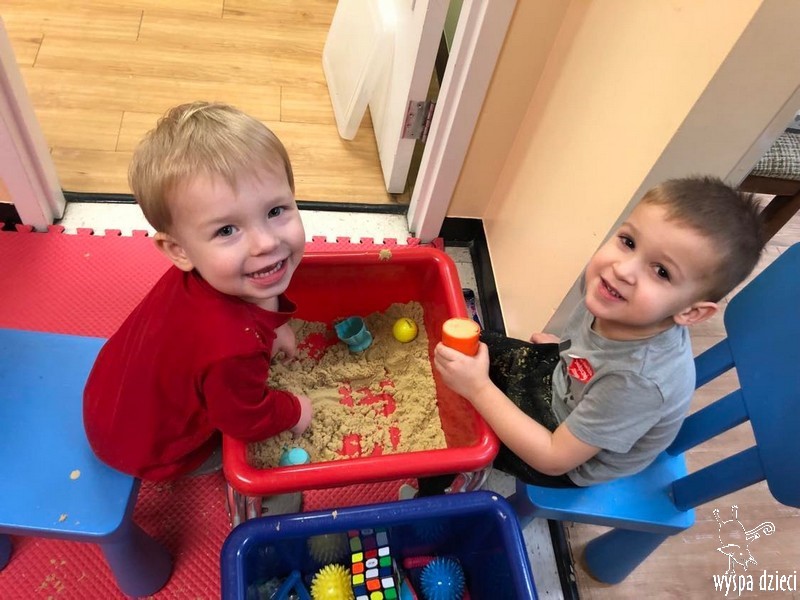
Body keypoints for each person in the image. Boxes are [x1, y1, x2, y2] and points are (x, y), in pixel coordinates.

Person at [434, 176, 764, 487]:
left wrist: (478, 389)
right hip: (567, 378)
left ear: (690, 312)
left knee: (462, 431)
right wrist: (566, 349)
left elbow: (553, 458)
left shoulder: (637, 381)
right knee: (476, 348)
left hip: (567, 456)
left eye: (662, 272)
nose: (623, 269)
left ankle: (464, 475)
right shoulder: (611, 291)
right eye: (628, 242)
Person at [83, 101, 312, 481]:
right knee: (249, 454)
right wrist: (295, 409)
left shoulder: (202, 274)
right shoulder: (232, 347)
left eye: (275, 211)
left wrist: (275, 328)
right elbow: (244, 419)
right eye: (226, 230)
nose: (265, 243)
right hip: (149, 449)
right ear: (179, 250)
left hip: (107, 397)